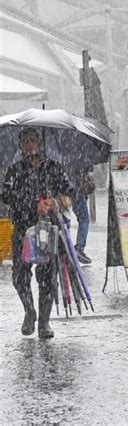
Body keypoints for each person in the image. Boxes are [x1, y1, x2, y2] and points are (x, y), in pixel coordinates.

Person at [2, 128, 74, 338]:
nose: (30, 145)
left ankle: (44, 322)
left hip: (49, 231)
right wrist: (32, 206)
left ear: (41, 144)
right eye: (25, 142)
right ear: (20, 146)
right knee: (20, 276)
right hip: (23, 230)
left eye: (33, 140)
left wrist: (56, 202)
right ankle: (29, 311)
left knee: (48, 277)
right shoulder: (15, 170)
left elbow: (70, 192)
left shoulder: (53, 168)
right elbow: (7, 197)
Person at [68, 167, 94, 264]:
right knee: (84, 220)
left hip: (68, 192)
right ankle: (79, 248)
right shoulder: (78, 159)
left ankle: (65, 249)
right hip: (77, 192)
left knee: (64, 221)